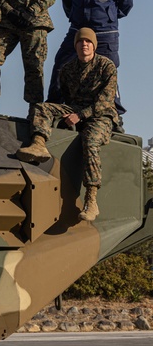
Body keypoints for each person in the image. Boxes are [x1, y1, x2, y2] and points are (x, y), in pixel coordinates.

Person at [16, 28, 116, 222]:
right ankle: (38, 143)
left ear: (94, 46)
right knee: (42, 108)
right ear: (76, 46)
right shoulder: (68, 69)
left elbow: (106, 101)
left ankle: (91, 199)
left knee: (90, 141)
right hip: (75, 109)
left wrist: (80, 115)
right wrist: (68, 115)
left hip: (101, 115)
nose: (84, 45)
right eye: (80, 42)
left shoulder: (106, 66)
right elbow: (66, 99)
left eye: (88, 42)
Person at [46, 0, 132, 117]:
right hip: (78, 31)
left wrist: (109, 17)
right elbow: (67, 3)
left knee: (109, 71)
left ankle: (114, 114)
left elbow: (126, 2)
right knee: (61, 63)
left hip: (105, 32)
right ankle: (53, 105)